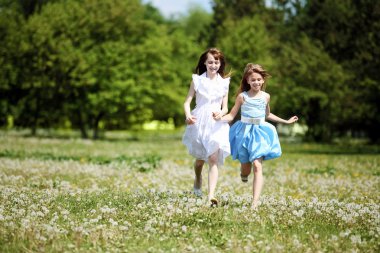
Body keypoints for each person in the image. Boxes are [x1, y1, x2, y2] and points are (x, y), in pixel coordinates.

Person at [219, 63, 298, 209]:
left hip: (260, 133)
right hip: (243, 132)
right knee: (246, 166)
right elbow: (231, 115)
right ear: (247, 81)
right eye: (253, 80)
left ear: (263, 81)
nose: (256, 82)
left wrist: (286, 121)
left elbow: (267, 114)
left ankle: (254, 203)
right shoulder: (242, 97)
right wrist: (218, 119)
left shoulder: (266, 97)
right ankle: (244, 174)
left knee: (257, 165)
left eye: (259, 79)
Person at [182, 48, 231, 207]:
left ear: (220, 64)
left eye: (216, 62)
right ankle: (197, 179)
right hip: (199, 121)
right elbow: (187, 102)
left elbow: (225, 107)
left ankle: (211, 196)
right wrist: (188, 115)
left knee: (213, 158)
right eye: (210, 62)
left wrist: (221, 113)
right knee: (200, 161)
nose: (213, 65)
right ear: (204, 63)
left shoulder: (224, 83)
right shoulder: (197, 80)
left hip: (216, 123)